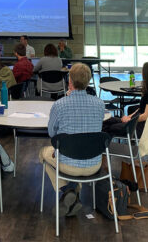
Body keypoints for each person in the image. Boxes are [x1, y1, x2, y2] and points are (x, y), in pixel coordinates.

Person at [39, 63, 104, 217]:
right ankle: (73, 195)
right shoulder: (100, 104)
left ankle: (67, 190)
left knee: (43, 153)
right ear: (88, 81)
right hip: (94, 164)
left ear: (70, 81)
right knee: (80, 149)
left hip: (69, 165)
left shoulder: (59, 105)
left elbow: (51, 133)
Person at [103, 62, 148, 137]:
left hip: (140, 126)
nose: (141, 73)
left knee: (108, 126)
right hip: (136, 121)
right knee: (106, 120)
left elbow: (146, 116)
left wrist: (130, 120)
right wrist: (129, 117)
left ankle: (105, 146)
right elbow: (140, 109)